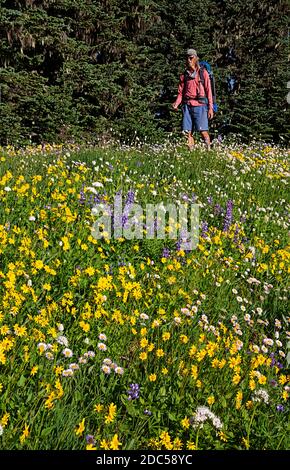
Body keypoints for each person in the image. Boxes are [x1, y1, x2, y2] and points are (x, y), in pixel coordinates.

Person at [172, 48, 214, 150]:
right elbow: (180, 93)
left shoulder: (203, 73)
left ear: (196, 58)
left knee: (203, 131)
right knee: (187, 132)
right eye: (187, 58)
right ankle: (191, 152)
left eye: (191, 58)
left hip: (201, 105)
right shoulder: (184, 75)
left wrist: (210, 108)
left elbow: (209, 91)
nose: (189, 60)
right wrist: (176, 103)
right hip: (187, 106)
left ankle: (209, 150)